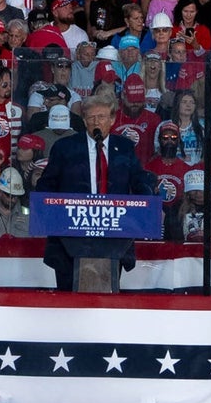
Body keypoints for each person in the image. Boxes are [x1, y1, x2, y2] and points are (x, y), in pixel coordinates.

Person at [36, 87, 158, 291]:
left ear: (112, 119)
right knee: (68, 297)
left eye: (101, 117)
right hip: (70, 236)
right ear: (83, 121)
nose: (95, 122)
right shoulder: (65, 147)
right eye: (90, 117)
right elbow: (46, 185)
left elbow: (138, 181)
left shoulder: (125, 147)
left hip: (113, 236)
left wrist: (147, 201)